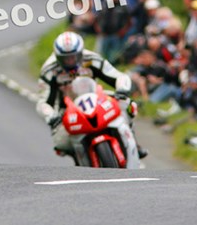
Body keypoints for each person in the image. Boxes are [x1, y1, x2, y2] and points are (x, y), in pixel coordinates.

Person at [35, 31, 146, 161]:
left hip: (96, 100)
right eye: (66, 58)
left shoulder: (92, 59)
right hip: (68, 110)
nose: (70, 61)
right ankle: (79, 159)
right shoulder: (49, 70)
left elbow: (117, 76)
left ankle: (133, 141)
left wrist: (122, 89)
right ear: (58, 57)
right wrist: (51, 116)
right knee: (61, 143)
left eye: (74, 57)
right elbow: (43, 101)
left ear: (80, 53)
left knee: (128, 105)